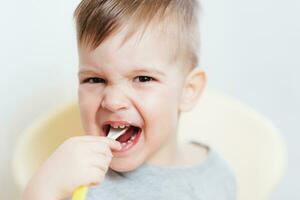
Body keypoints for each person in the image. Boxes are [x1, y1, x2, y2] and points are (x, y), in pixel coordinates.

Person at [23, 0, 236, 199]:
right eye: (95, 79)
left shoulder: (217, 176)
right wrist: (45, 188)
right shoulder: (74, 182)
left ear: (188, 91)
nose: (113, 101)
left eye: (143, 79)